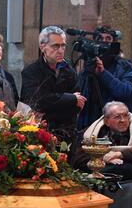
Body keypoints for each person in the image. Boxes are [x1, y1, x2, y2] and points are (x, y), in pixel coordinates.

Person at [21, 26, 85, 155]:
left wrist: (55, 103)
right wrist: (70, 98)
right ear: (42, 47)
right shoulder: (31, 71)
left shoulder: (69, 71)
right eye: (55, 46)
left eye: (63, 46)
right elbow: (38, 102)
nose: (61, 50)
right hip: (41, 135)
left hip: (67, 133)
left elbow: (78, 105)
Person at [77, 25, 132, 130]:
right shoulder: (89, 66)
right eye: (100, 39)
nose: (103, 42)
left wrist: (103, 73)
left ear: (114, 42)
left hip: (115, 126)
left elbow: (127, 92)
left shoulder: (125, 66)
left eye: (108, 39)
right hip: (90, 125)